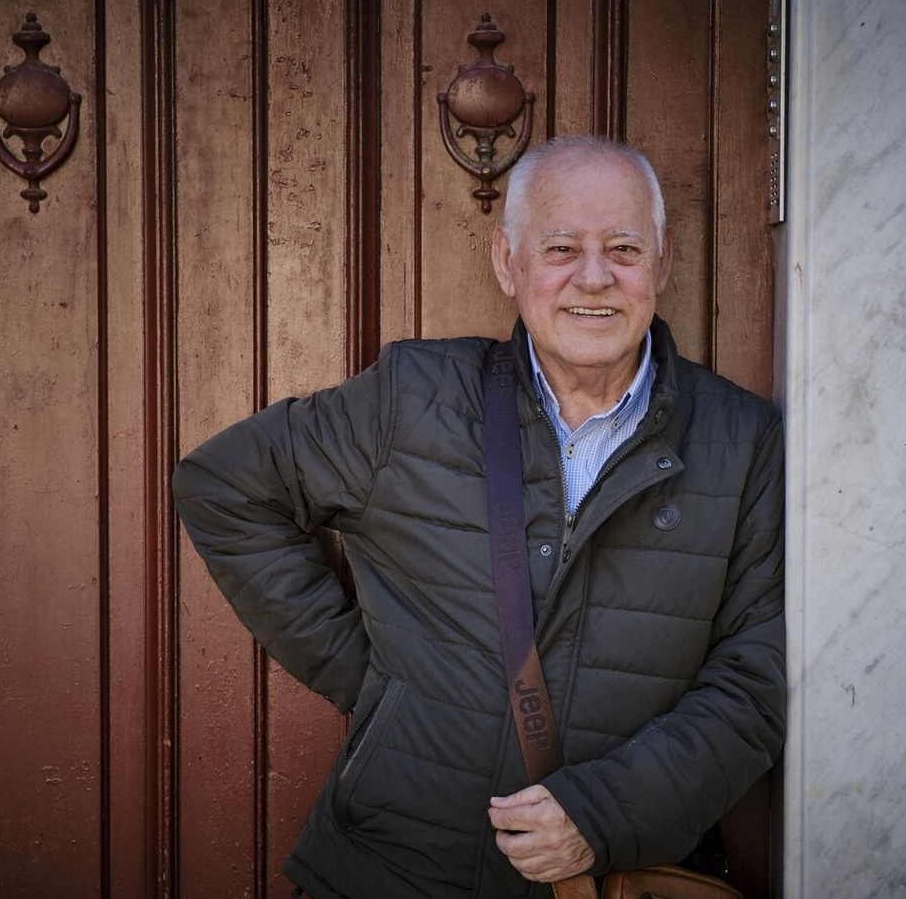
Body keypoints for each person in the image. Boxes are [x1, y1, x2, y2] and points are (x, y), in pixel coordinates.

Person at [172, 135, 785, 899]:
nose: (594, 277)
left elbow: (752, 686)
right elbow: (223, 486)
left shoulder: (742, 441)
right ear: (509, 262)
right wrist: (376, 684)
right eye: (561, 246)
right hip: (382, 873)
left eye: (624, 248)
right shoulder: (412, 397)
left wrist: (601, 813)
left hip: (600, 882)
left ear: (661, 262)